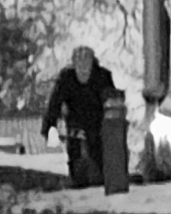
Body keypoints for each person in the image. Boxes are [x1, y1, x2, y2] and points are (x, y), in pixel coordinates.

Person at [41, 43, 120, 191]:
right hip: (75, 123)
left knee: (99, 162)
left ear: (92, 62)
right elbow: (54, 105)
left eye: (86, 61)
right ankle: (77, 181)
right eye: (79, 62)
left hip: (98, 124)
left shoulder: (102, 76)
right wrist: (50, 128)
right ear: (74, 63)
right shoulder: (66, 78)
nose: (83, 66)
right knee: (76, 164)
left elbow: (112, 105)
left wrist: (114, 134)